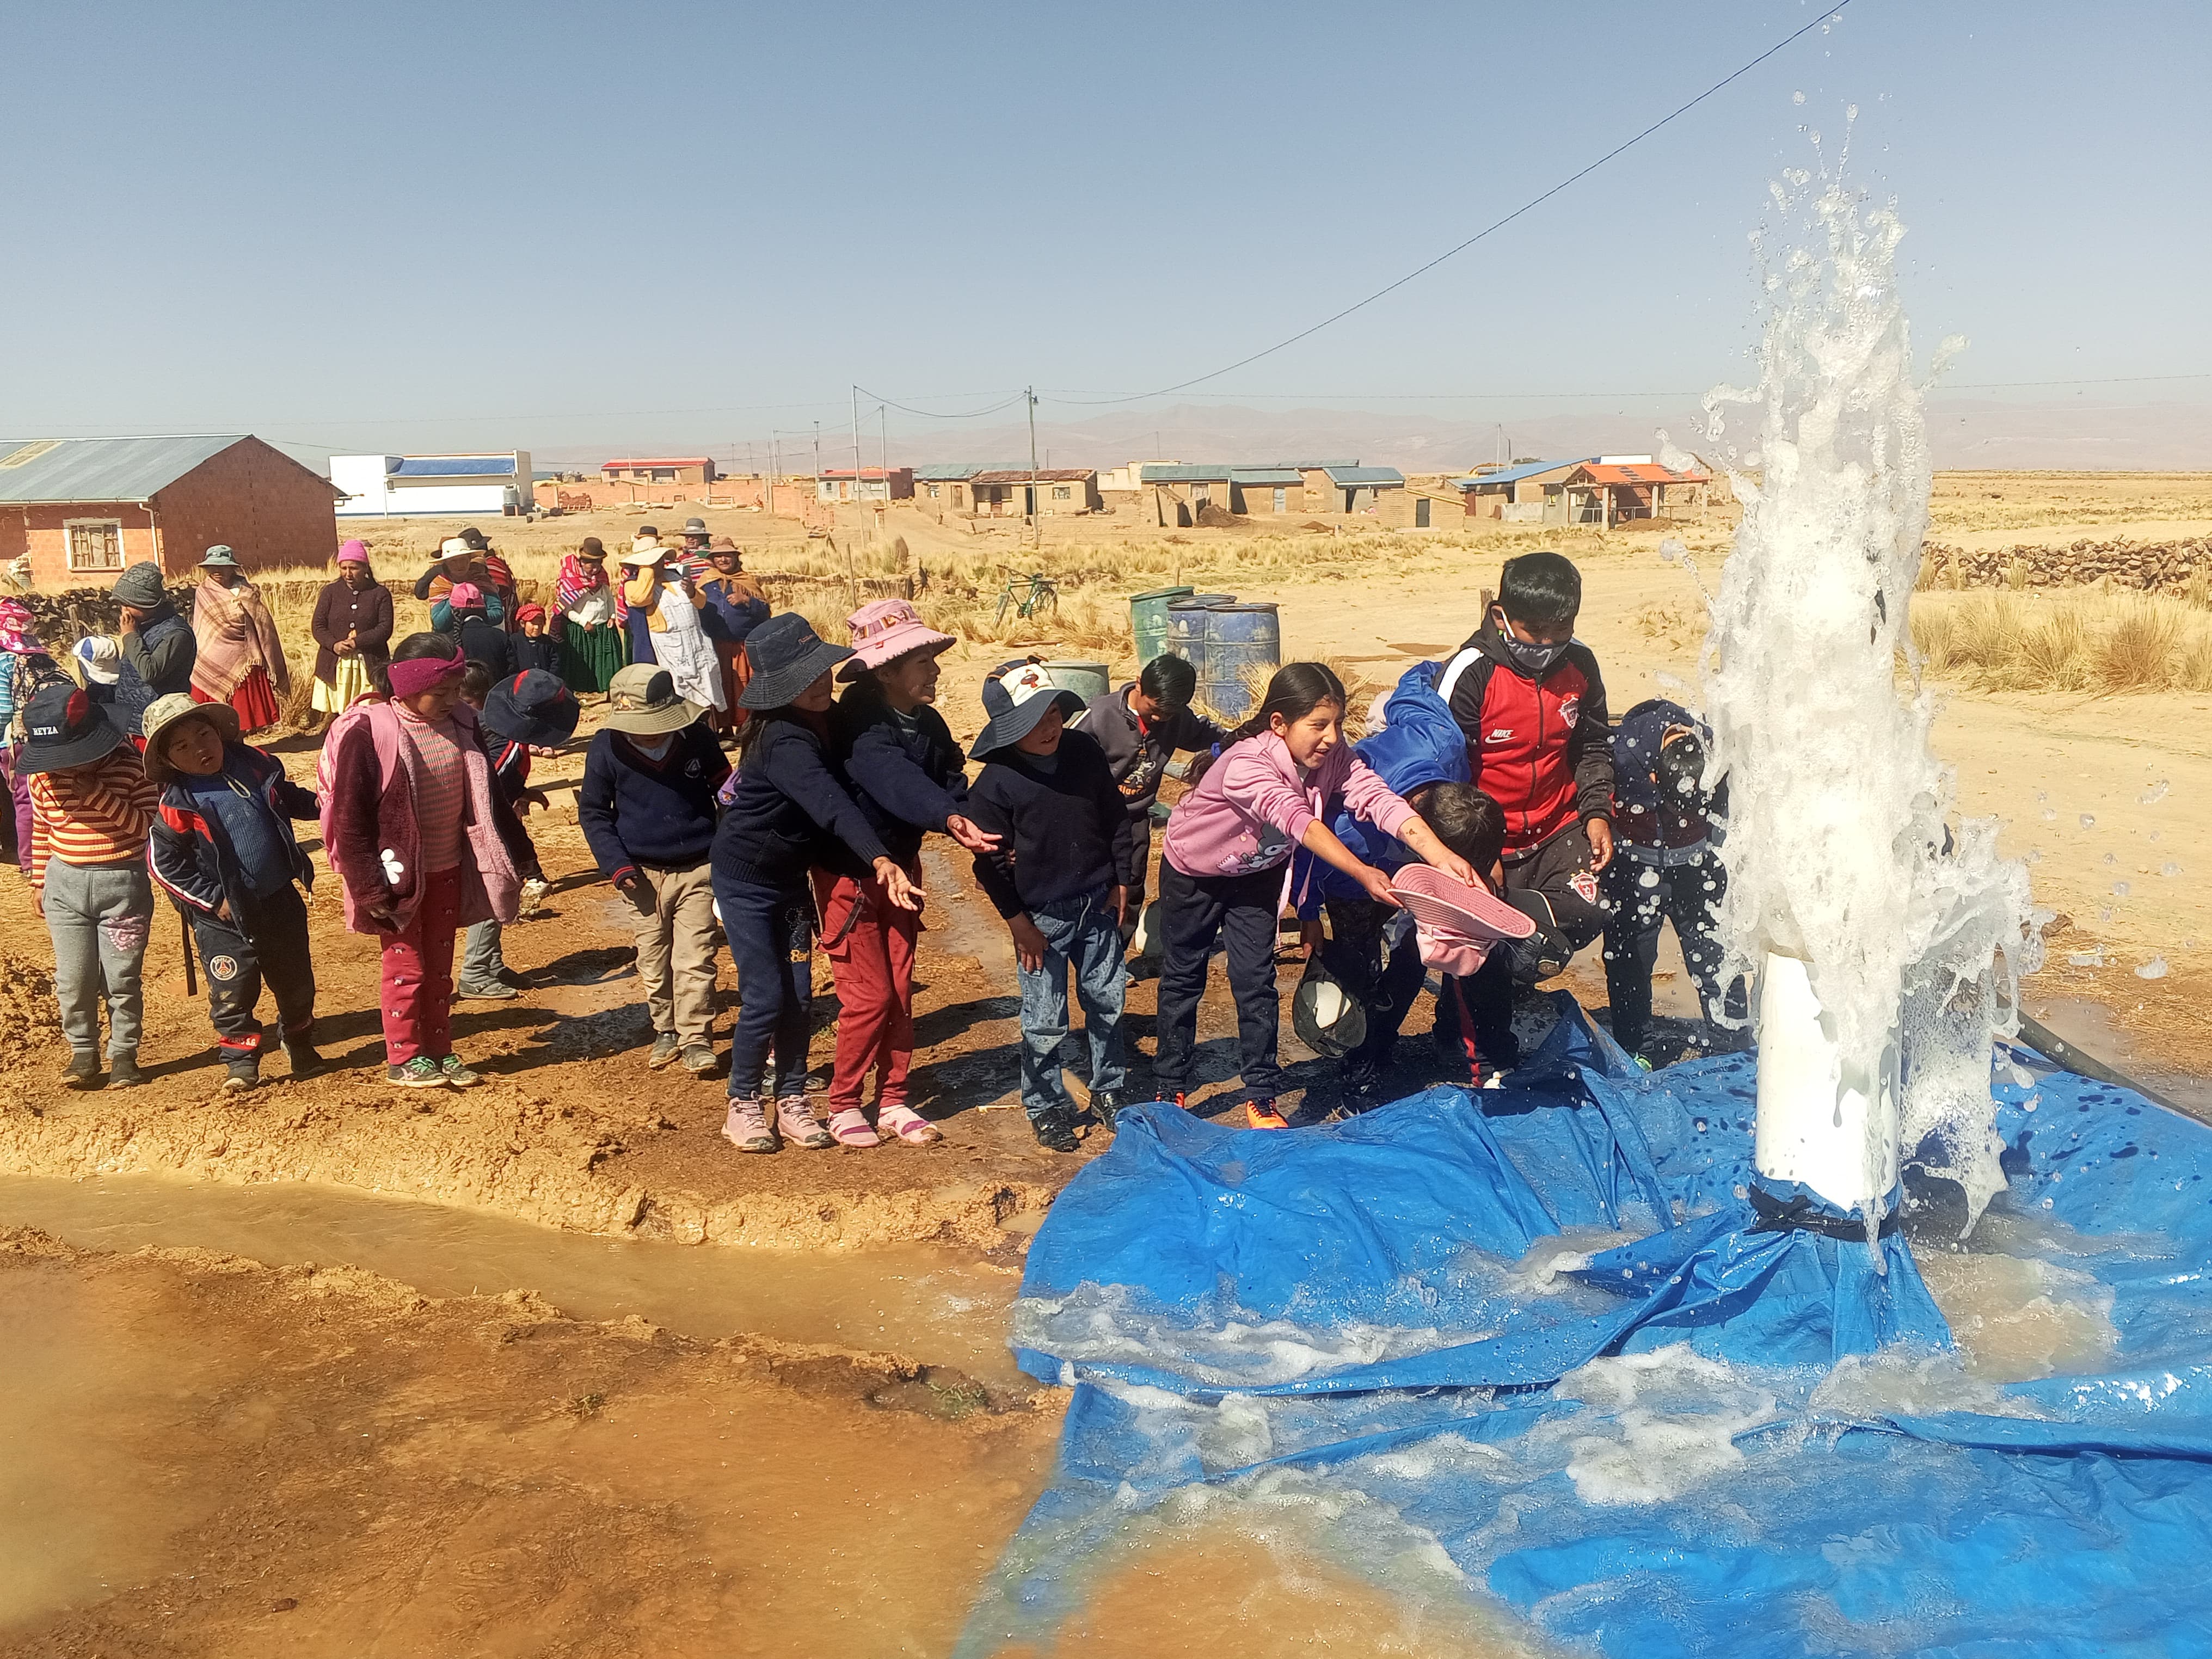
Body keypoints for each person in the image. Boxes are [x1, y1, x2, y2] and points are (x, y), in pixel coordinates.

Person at [1155, 662, 1480, 1130]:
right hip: (1195, 872)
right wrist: (1362, 871)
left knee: (1256, 982)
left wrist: (1439, 853)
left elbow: (1378, 798)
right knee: (1185, 979)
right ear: (1279, 725)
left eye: (1337, 724)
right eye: (1318, 725)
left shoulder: (1333, 758)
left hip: (1255, 875)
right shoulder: (1248, 764)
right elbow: (1298, 822)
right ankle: (1171, 1086)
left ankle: (1261, 1096)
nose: (1331, 737)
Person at [711, 614, 919, 1154]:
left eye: (823, 671)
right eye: (807, 678)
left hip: (791, 881)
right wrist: (878, 857)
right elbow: (830, 806)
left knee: (800, 998)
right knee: (764, 995)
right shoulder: (783, 738)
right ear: (781, 687)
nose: (822, 683)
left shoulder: (827, 721)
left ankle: (792, 1100)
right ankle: (742, 1104)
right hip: (747, 882)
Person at [322, 633, 540, 1089]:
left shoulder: (461, 722)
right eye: (439, 693)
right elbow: (351, 817)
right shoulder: (371, 732)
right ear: (405, 688)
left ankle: (440, 1051)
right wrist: (367, 887)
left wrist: (521, 854)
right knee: (407, 969)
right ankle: (404, 1057)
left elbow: (491, 796)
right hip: (395, 878)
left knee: (440, 970)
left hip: (447, 868)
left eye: (455, 690)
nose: (451, 700)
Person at [821, 600, 999, 1148]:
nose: (935, 670)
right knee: (867, 995)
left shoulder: (928, 721)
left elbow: (949, 778)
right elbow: (891, 778)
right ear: (885, 670)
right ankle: (843, 1102)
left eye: (931, 658)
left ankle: (893, 1099)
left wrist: (976, 818)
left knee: (899, 989)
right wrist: (948, 817)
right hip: (850, 873)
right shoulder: (858, 717)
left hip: (904, 868)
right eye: (921, 661)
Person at [1289, 659, 1500, 1105]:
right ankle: (1358, 1073)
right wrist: (1309, 916)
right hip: (1356, 880)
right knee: (1357, 967)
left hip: (1413, 870)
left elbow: (1413, 684)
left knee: (1418, 950)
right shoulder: (1348, 825)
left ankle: (1385, 1038)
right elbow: (1304, 852)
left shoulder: (1443, 742)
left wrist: (1449, 662)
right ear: (1420, 833)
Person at [1440, 550, 1615, 1073]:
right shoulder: (1470, 673)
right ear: (1500, 616)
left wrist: (1597, 812)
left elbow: (1594, 746)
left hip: (1557, 824)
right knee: (1487, 943)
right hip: (1486, 834)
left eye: (1561, 628)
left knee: (1588, 909)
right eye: (1534, 630)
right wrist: (1478, 853)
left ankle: (1496, 938)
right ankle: (1474, 1045)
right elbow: (1448, 776)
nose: (1547, 643)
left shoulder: (1580, 663)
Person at [966, 662, 1136, 1151]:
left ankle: (1109, 1090)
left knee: (1108, 1001)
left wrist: (1121, 879)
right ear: (1008, 729)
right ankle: (1044, 1103)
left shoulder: (1083, 750)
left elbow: (1114, 817)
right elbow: (989, 866)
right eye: (1034, 720)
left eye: (1055, 713)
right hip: (1040, 918)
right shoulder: (996, 784)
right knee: (1044, 1019)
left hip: (1097, 903)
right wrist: (1020, 925)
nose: (1049, 727)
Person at [142, 693, 322, 1091]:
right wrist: (212, 899)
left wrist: (325, 806)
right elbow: (163, 864)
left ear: (219, 733)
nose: (200, 748)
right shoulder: (177, 804)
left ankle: (299, 1041)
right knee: (233, 991)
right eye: (183, 747)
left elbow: (288, 798)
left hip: (278, 900)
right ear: (169, 760)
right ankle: (241, 1061)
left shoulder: (257, 767)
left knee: (296, 981)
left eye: (204, 734)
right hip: (222, 918)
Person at [578, 665, 729, 1077]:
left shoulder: (697, 737)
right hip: (641, 877)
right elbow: (594, 814)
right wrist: (617, 865)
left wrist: (729, 847)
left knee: (696, 957)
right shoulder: (606, 748)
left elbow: (728, 793)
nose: (650, 734)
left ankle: (696, 1035)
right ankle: (665, 1029)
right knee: (653, 956)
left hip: (699, 868)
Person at [20, 683, 158, 1089]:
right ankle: (83, 1051)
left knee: (122, 978)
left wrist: (98, 796)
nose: (67, 769)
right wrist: (39, 880)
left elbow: (145, 830)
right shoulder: (44, 780)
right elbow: (43, 830)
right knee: (74, 977)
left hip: (123, 889)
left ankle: (124, 1054)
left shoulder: (132, 769)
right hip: (65, 889)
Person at [1601, 698, 1745, 1066]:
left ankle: (1732, 1045)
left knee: (1715, 956)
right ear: (1653, 781)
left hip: (1697, 867)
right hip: (1634, 869)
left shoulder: (1715, 748)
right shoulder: (1625, 757)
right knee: (1630, 961)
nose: (1685, 819)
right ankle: (1637, 1050)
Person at [1077, 652, 1226, 930]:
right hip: (1093, 819)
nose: (1160, 718)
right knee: (1091, 883)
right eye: (1154, 709)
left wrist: (1240, 740)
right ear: (1139, 686)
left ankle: (1117, 956)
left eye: (1169, 713)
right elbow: (1065, 760)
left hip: (1135, 819)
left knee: (1130, 886)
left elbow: (1208, 733)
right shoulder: (1100, 716)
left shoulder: (1175, 718)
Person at [457, 668, 577, 1004]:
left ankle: (492, 964)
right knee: (495, 889)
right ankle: (476, 972)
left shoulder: (502, 733)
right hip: (489, 827)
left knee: (504, 889)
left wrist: (523, 792)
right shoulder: (505, 740)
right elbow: (486, 788)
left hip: (496, 820)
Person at [188, 545, 291, 735]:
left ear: (232, 568)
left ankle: (239, 744)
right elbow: (204, 628)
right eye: (212, 567)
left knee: (241, 718)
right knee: (213, 717)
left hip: (247, 661)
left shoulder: (248, 591)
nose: (217, 571)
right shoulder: (204, 592)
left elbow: (264, 626)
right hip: (214, 658)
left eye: (222, 566)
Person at [1, 600, 72, 872]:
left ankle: (28, 859)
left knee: (20, 800)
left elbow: (3, 710)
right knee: (34, 796)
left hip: (13, 742)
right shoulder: (40, 658)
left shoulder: (5, 661)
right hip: (43, 737)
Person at [619, 536, 723, 715]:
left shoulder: (675, 576)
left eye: (660, 560)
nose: (660, 564)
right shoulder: (633, 584)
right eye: (654, 561)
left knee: (705, 686)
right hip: (666, 648)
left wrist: (691, 591)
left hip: (695, 642)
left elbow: (701, 603)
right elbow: (641, 598)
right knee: (676, 692)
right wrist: (646, 571)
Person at [310, 540, 394, 728]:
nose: (348, 574)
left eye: (354, 568)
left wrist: (357, 642)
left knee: (367, 713)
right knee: (340, 715)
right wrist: (334, 645)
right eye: (343, 568)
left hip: (369, 664)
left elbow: (385, 628)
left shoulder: (380, 594)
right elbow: (318, 625)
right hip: (336, 663)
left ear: (365, 567)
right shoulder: (330, 592)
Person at [110, 561, 197, 740]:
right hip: (133, 720)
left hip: (160, 720)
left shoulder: (176, 634)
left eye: (128, 605)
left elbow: (150, 672)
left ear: (148, 604)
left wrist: (130, 636)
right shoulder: (143, 627)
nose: (124, 611)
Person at [695, 538, 770, 734]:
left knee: (742, 685)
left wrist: (747, 600)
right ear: (712, 559)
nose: (723, 559)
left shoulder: (747, 581)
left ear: (736, 558)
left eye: (727, 555)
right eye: (718, 556)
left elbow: (765, 611)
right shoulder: (705, 582)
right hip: (715, 645)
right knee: (721, 685)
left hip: (742, 645)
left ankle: (745, 728)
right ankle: (725, 728)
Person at [554, 537, 626, 696]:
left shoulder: (602, 578)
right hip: (581, 630)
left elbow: (609, 599)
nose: (595, 568)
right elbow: (566, 608)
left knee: (605, 660)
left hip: (603, 629)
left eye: (598, 564)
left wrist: (612, 616)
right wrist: (582, 622)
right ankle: (580, 692)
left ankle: (607, 692)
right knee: (582, 661)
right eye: (590, 564)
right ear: (582, 562)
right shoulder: (570, 580)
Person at [415, 537, 506, 626]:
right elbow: (439, 624)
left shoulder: (482, 581)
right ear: (446, 563)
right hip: (448, 640)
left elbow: (498, 614)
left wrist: (476, 617)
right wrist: (456, 598)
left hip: (479, 635)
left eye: (463, 560)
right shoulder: (440, 584)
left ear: (469, 560)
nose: (459, 565)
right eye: (453, 561)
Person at [439, 582, 512, 678]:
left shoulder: (448, 640)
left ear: (453, 611)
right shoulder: (500, 636)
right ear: (483, 609)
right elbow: (512, 671)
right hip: (497, 692)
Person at [511, 604, 561, 674]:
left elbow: (555, 662)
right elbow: (511, 664)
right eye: (533, 624)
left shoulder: (547, 641)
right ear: (523, 623)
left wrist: (550, 677)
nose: (537, 627)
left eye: (540, 624)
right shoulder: (515, 641)